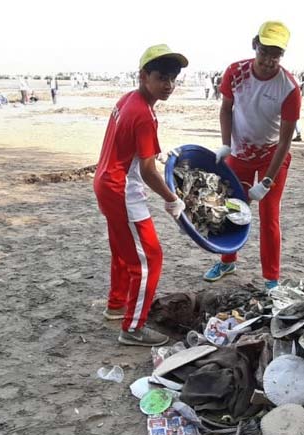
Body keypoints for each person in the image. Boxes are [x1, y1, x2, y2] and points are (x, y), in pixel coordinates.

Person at [93, 44, 188, 346]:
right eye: (161, 77)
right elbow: (147, 171)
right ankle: (133, 327)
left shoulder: (128, 100)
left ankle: (116, 304)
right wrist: (171, 198)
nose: (168, 85)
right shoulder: (145, 115)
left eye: (173, 78)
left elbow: (137, 153)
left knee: (123, 250)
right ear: (143, 75)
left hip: (106, 181)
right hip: (122, 190)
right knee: (149, 258)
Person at [202, 20, 301, 291]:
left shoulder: (289, 87)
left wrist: (266, 181)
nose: (269, 60)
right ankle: (227, 260)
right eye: (264, 51)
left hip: (272, 154)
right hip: (240, 153)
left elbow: (285, 140)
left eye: (276, 54)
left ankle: (271, 278)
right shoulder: (235, 72)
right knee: (231, 207)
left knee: (269, 216)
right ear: (254, 45)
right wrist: (225, 144)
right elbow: (226, 109)